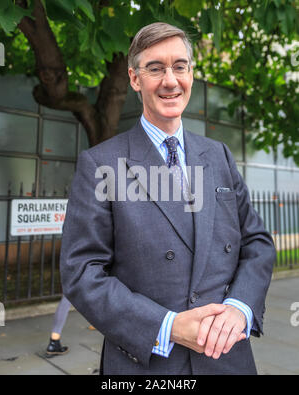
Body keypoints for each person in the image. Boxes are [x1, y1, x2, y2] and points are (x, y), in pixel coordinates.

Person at [60, 22, 276, 375]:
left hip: (228, 357)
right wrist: (168, 326)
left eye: (180, 66)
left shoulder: (218, 155)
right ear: (134, 79)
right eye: (155, 68)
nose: (170, 80)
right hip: (149, 363)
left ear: (190, 73)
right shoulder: (100, 163)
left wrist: (240, 307)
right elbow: (81, 272)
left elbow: (257, 242)